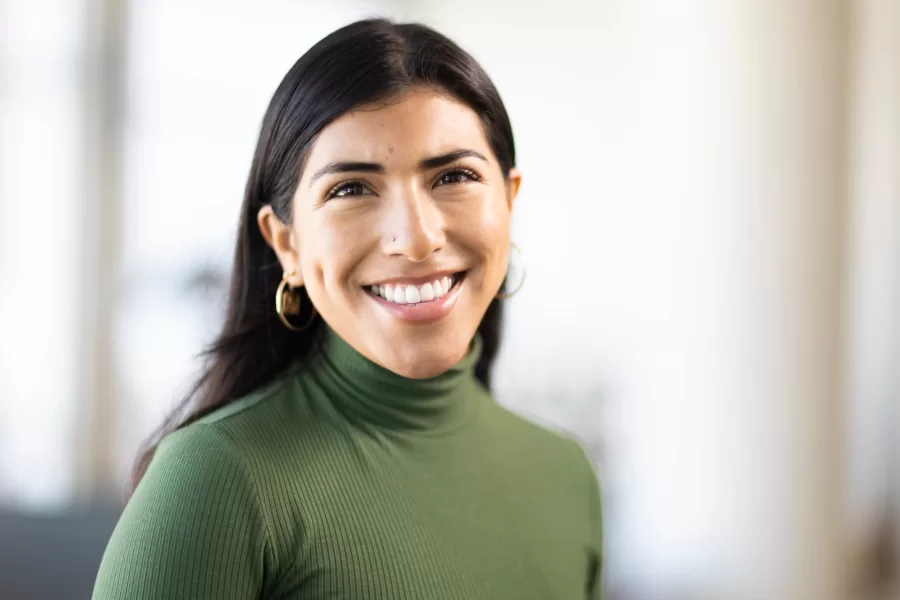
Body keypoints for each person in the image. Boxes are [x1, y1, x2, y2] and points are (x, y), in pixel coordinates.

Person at [92, 18, 603, 599]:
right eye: (352, 189)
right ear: (286, 243)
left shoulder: (566, 478)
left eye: (454, 176)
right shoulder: (213, 481)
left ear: (509, 203)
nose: (415, 239)